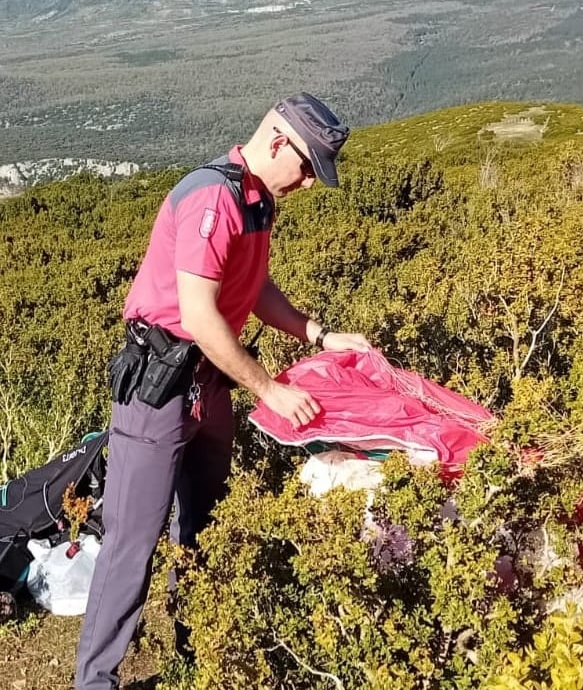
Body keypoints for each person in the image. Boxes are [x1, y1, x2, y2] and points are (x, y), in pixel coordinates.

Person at [75, 92, 370, 690]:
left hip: (210, 384)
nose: (310, 183)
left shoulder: (257, 200)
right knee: (134, 541)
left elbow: (254, 286)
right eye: (309, 166)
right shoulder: (214, 196)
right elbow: (201, 317)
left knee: (202, 525)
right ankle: (95, 681)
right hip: (160, 384)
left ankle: (197, 647)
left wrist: (318, 334)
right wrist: (270, 390)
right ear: (279, 139)